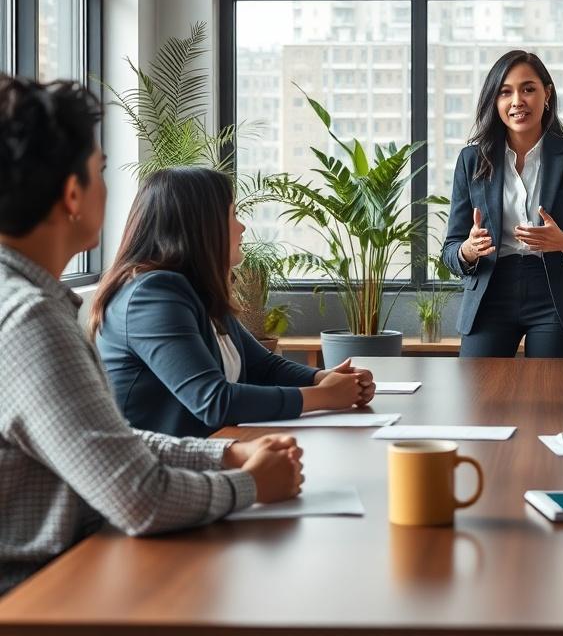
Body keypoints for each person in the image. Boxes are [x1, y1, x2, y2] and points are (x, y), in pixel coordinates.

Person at [0, 77, 302, 596]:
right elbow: (139, 497)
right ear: (73, 194)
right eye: (99, 171)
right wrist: (252, 484)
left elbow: (103, 444)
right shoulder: (28, 320)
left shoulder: (30, 301)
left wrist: (224, 456)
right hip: (44, 594)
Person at [92, 166, 375, 439]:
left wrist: (324, 378)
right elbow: (214, 401)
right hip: (158, 470)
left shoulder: (197, 289)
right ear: (201, 226)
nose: (242, 227)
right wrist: (325, 396)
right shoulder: (152, 296)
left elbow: (263, 367)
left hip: (211, 447)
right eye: (233, 214)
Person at [441, 50, 563, 358]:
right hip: (489, 293)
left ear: (546, 94)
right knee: (480, 399)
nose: (517, 100)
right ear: (495, 102)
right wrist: (468, 250)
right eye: (505, 92)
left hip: (555, 296)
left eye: (528, 89)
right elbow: (452, 249)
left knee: (551, 401)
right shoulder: (471, 161)